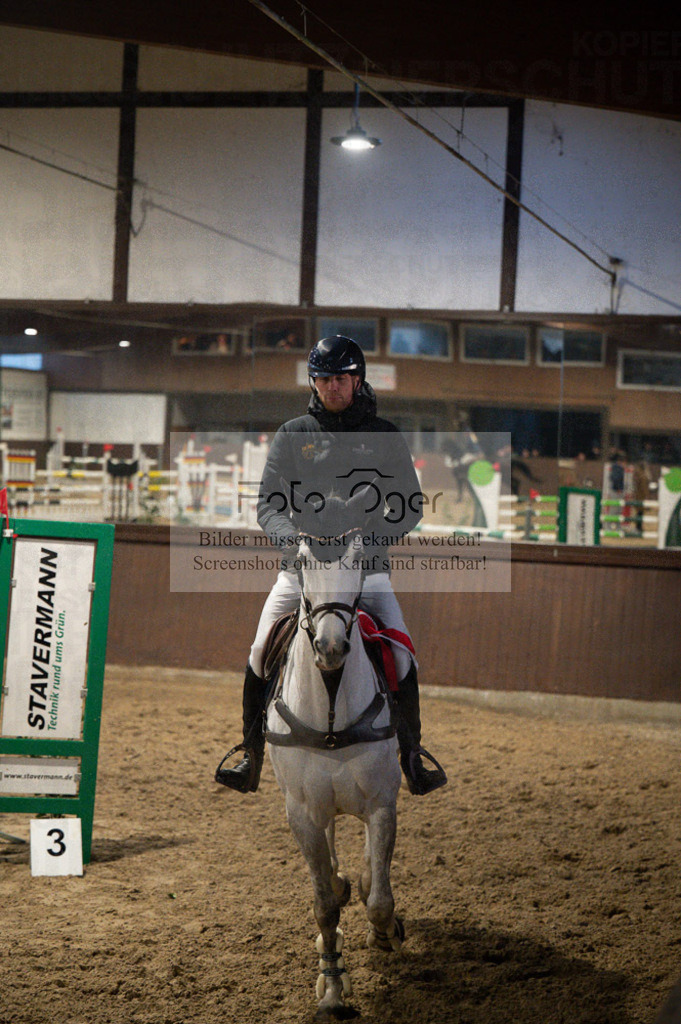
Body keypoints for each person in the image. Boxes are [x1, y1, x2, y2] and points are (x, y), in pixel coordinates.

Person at [216, 335, 447, 797]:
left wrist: (371, 542)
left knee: (401, 657)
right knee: (261, 650)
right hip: (300, 571)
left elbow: (411, 505)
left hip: (367, 572)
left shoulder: (384, 436)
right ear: (314, 382)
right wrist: (290, 540)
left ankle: (411, 755)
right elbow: (268, 504)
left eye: (341, 378)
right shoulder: (292, 434)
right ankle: (250, 753)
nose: (332, 387)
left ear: (357, 379)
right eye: (323, 379)